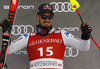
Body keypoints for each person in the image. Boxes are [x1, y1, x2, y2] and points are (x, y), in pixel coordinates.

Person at [0, 3, 92, 69]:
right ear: (38, 17)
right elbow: (9, 50)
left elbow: (83, 47)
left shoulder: (62, 34)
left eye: (50, 17)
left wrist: (85, 36)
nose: (47, 20)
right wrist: (6, 33)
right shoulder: (29, 36)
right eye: (44, 17)